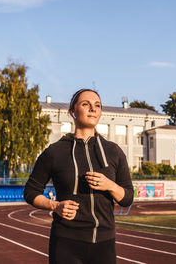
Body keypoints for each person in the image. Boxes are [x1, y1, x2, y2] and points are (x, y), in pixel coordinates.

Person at [24, 89, 134, 264]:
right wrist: (55, 205)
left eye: (97, 105)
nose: (93, 109)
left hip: (104, 243)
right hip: (66, 243)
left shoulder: (114, 151)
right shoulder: (55, 152)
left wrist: (110, 185)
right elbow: (30, 192)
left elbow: (127, 198)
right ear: (72, 112)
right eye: (86, 104)